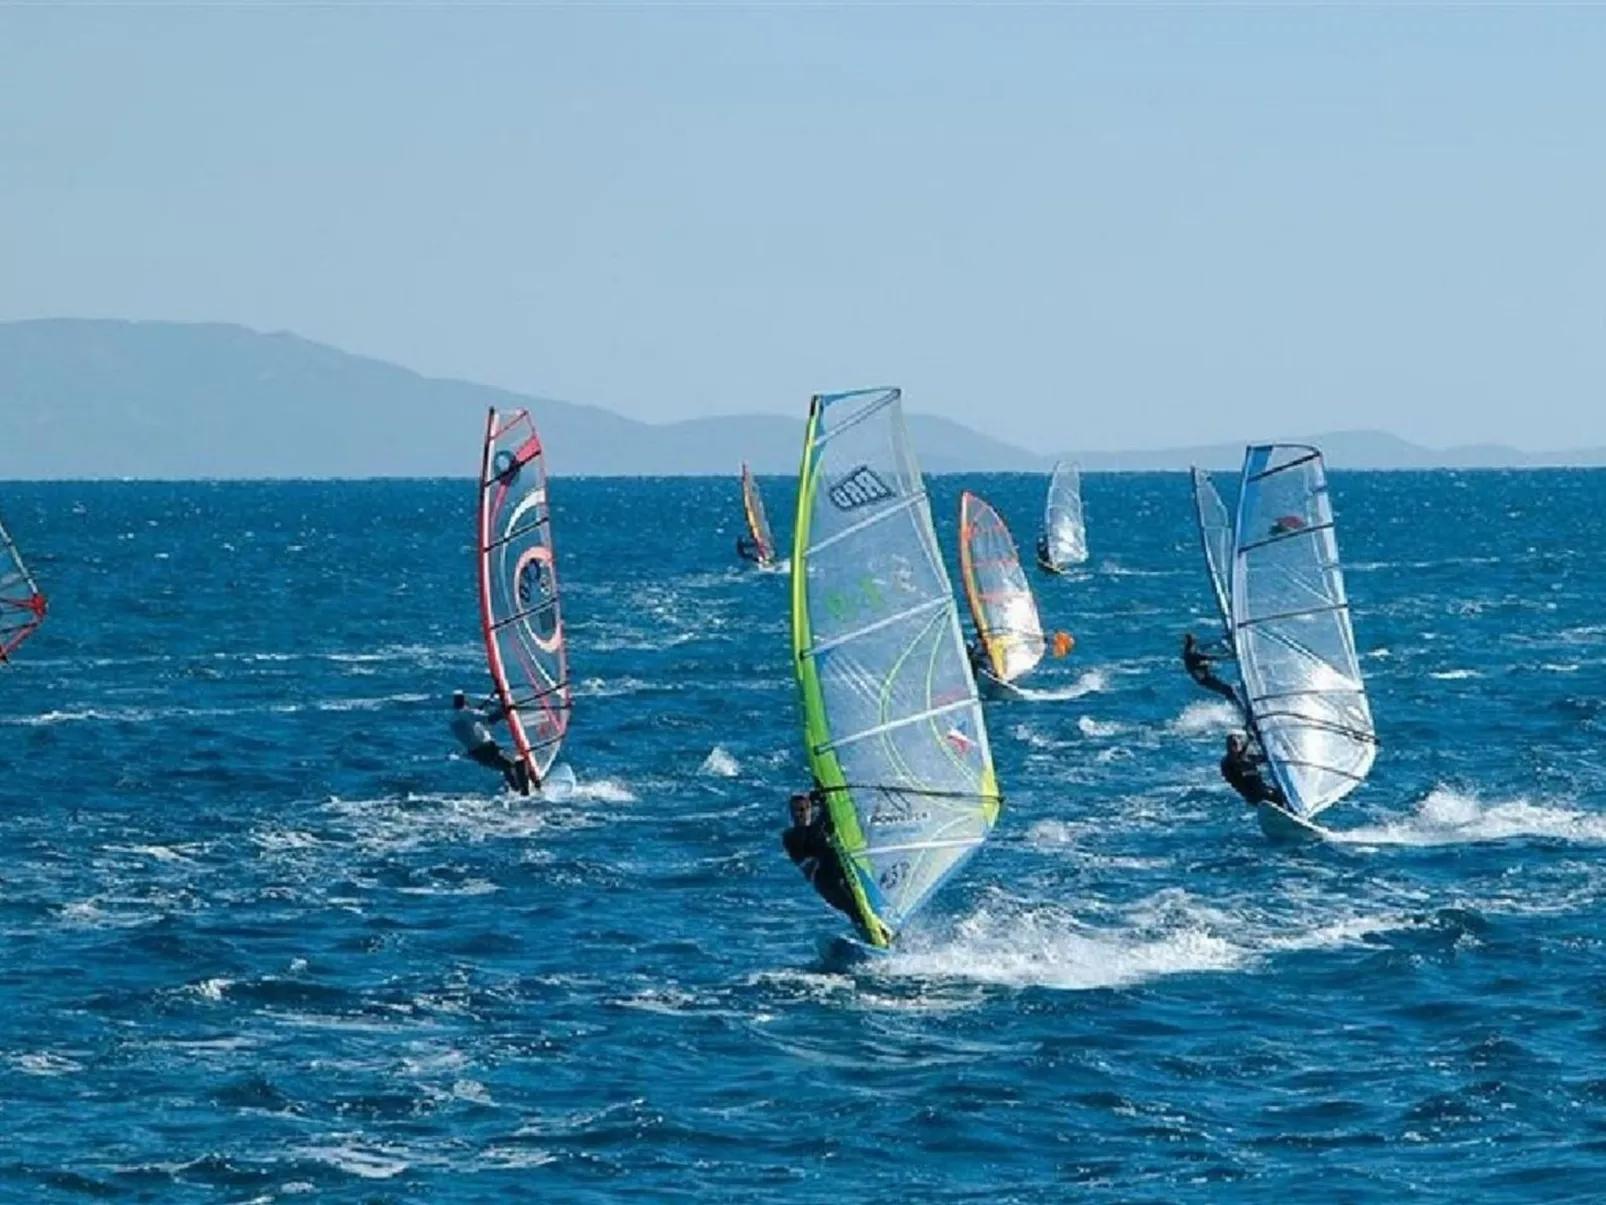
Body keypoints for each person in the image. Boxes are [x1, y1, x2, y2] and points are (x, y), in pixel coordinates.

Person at [781, 787, 858, 921]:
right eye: (796, 811)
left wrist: (822, 799)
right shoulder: (790, 836)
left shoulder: (819, 828)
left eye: (804, 810)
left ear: (810, 810)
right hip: (826, 883)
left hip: (842, 876)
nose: (800, 814)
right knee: (853, 909)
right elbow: (812, 834)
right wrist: (821, 803)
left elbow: (827, 821)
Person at [450, 690, 531, 796]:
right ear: (465, 701)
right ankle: (525, 793)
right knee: (519, 761)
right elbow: (489, 719)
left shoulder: (454, 717)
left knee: (506, 766)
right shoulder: (466, 713)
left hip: (477, 754)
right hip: (486, 750)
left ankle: (517, 790)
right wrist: (504, 711)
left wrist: (498, 711)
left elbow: (476, 723)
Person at [1220, 732, 1288, 808]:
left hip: (1262, 790)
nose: (1234, 747)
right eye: (1232, 745)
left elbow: (1260, 757)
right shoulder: (1228, 763)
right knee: (1274, 795)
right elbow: (1238, 762)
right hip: (1254, 796)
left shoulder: (1246, 757)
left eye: (1236, 744)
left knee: (1280, 793)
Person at [1183, 632, 1240, 708]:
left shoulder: (1189, 652)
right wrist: (1228, 657)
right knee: (1228, 690)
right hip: (1204, 679)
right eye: (1195, 642)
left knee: (1228, 689)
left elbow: (1205, 659)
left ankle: (1237, 704)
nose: (1196, 644)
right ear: (1192, 643)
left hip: (1205, 677)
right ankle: (1239, 707)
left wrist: (1206, 664)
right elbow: (1209, 658)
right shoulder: (1191, 655)